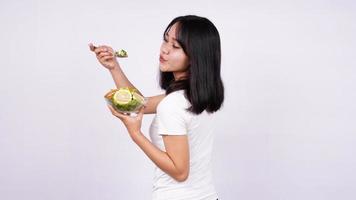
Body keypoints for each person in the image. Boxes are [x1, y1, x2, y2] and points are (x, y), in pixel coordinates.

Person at [89, 15, 224, 200]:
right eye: (166, 39)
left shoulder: (173, 104)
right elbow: (138, 102)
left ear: (195, 57)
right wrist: (114, 67)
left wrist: (135, 133)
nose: (165, 49)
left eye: (176, 46)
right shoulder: (198, 97)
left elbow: (179, 172)